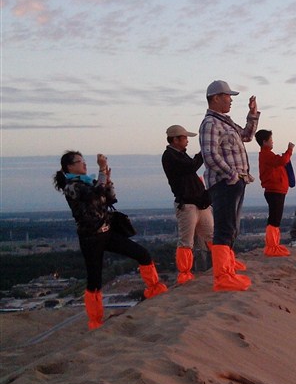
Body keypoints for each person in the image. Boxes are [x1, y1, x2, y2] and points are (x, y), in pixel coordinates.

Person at [54, 151, 167, 329]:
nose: (84, 164)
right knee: (94, 281)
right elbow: (94, 194)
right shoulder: (72, 186)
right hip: (91, 238)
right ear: (69, 167)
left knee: (142, 254)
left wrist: (108, 180)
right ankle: (96, 322)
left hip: (108, 232)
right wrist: (102, 171)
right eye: (79, 162)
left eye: (84, 161)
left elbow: (110, 197)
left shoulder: (88, 181)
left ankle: (154, 289)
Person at [199, 80, 260, 291]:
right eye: (227, 96)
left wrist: (252, 114)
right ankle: (222, 277)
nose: (231, 100)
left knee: (232, 227)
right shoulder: (210, 124)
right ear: (215, 98)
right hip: (225, 182)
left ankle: (228, 268)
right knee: (224, 228)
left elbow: (247, 136)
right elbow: (210, 156)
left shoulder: (225, 122)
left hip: (236, 181)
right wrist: (232, 174)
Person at [161, 124, 213, 284]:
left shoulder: (180, 155)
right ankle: (184, 274)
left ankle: (223, 264)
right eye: (184, 138)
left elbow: (190, 169)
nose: (187, 141)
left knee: (211, 236)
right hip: (187, 205)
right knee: (186, 241)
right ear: (175, 139)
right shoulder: (169, 156)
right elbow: (190, 167)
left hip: (199, 203)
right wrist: (204, 153)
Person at [255, 129, 294, 257]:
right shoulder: (266, 155)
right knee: (274, 219)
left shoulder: (268, 154)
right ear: (264, 142)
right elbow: (282, 161)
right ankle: (271, 247)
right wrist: (289, 151)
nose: (273, 142)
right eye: (271, 140)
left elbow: (281, 161)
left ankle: (274, 245)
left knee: (275, 218)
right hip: (274, 190)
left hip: (277, 190)